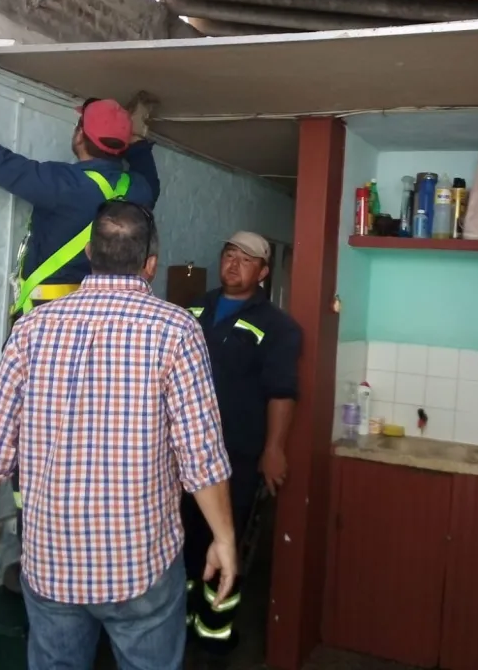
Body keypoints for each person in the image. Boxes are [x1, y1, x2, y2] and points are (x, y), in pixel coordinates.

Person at [0, 201, 237, 670]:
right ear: (150, 264)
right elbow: (200, 454)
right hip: (140, 562)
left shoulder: (33, 328)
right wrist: (224, 537)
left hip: (51, 561)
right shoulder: (176, 330)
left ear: (89, 253)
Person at [0, 38, 162, 571]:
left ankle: (37, 556)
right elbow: (146, 172)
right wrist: (137, 134)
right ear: (121, 146)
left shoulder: (63, 184)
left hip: (47, 328)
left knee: (28, 430)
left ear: (79, 138)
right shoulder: (139, 191)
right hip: (108, 330)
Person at [184, 232, 302, 657]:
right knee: (183, 539)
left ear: (264, 272)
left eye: (247, 259)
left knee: (225, 537)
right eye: (230, 255)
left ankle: (213, 634)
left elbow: (281, 392)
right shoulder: (192, 310)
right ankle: (181, 621)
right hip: (183, 453)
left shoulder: (279, 327)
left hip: (236, 455)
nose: (234, 264)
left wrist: (274, 449)